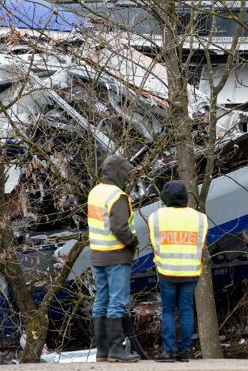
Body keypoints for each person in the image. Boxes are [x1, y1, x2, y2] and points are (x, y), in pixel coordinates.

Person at [148, 181, 208, 362]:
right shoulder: (200, 218)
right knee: (186, 310)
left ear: (165, 197)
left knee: (167, 310)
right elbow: (202, 245)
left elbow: (154, 243)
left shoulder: (155, 217)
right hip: (190, 272)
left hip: (166, 271)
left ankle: (168, 351)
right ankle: (184, 352)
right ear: (185, 197)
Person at [88, 155, 140, 363]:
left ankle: (103, 351)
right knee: (117, 301)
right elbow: (119, 227)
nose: (127, 177)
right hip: (116, 254)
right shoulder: (117, 196)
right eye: (125, 173)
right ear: (118, 173)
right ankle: (117, 350)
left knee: (101, 300)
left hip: (97, 254)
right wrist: (132, 242)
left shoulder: (94, 192)